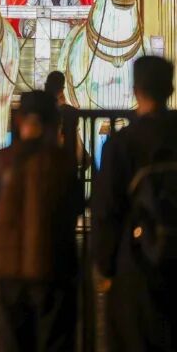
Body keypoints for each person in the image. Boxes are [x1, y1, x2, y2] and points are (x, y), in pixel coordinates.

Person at [0, 91, 83, 352]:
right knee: (56, 342)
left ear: (19, 121)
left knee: (16, 343)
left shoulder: (1, 162)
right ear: (54, 124)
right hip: (54, 271)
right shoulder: (62, 163)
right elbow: (75, 208)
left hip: (11, 276)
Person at [92, 56, 177, 350]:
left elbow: (106, 210)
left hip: (137, 265)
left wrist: (106, 265)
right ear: (170, 87)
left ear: (136, 89)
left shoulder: (123, 143)